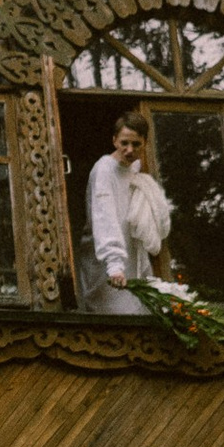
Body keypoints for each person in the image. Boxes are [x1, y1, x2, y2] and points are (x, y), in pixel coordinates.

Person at [82, 114, 178, 316]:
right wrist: (114, 264)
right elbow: (104, 217)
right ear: (114, 140)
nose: (130, 150)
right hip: (106, 258)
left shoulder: (135, 170)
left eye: (136, 144)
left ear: (145, 142)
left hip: (132, 254)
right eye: (124, 143)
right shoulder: (104, 170)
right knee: (115, 314)